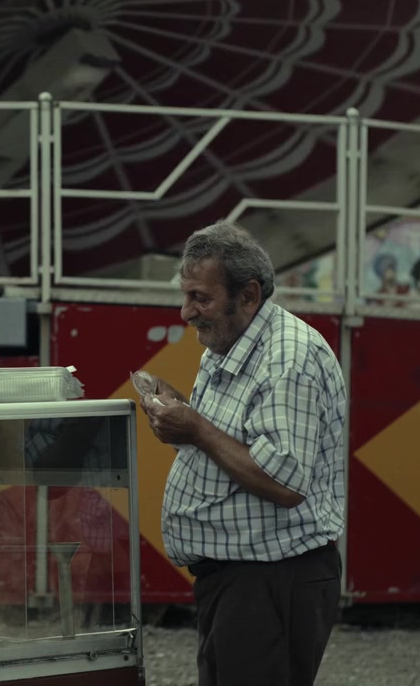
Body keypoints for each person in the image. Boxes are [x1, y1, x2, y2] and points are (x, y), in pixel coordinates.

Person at [139, 221, 345, 686]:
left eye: (200, 298)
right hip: (241, 578)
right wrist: (181, 416)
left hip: (272, 580)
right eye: (186, 295)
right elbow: (233, 439)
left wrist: (195, 428)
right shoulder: (230, 339)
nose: (186, 312)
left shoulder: (288, 359)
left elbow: (284, 483)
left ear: (249, 295)